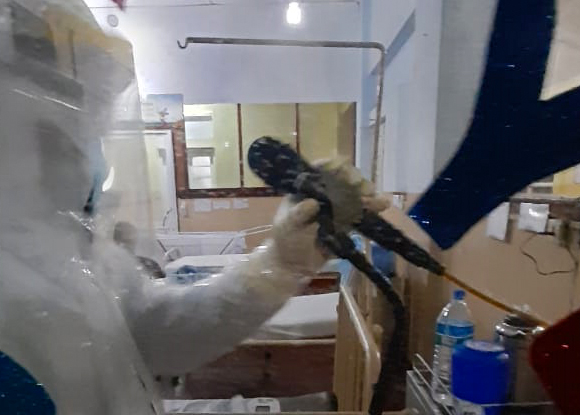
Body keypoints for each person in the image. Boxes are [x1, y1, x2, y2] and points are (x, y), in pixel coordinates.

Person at [0, 1, 387, 413]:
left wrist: (281, 263)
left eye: (89, 129)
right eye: (65, 134)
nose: (88, 154)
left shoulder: (74, 257)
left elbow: (165, 334)